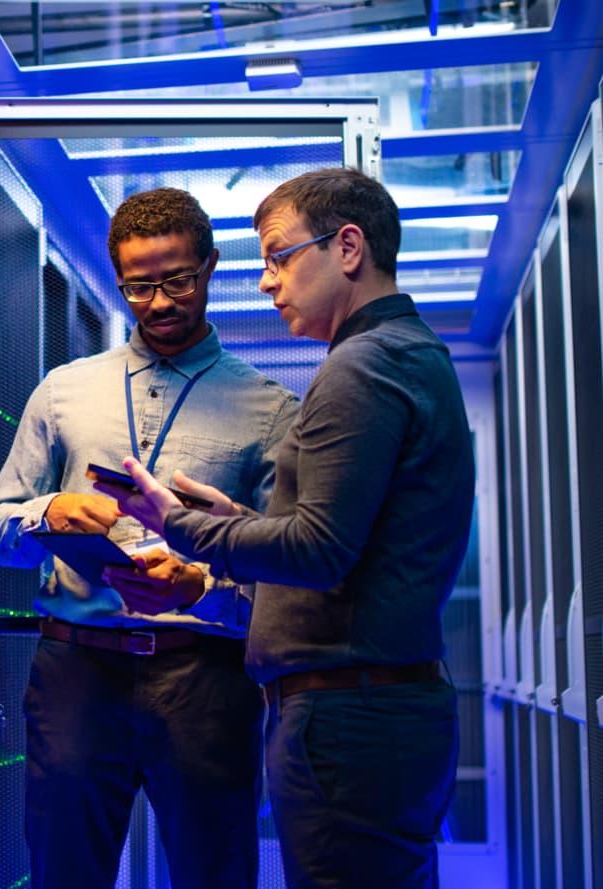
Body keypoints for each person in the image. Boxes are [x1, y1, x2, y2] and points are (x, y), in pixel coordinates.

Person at [98, 168, 476, 889]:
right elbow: (352, 537)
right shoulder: (408, 355)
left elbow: (318, 550)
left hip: (347, 719)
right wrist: (239, 521)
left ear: (348, 247)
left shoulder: (360, 368)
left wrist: (174, 523)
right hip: (377, 712)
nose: (268, 280)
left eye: (278, 255)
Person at [0, 186, 299, 889]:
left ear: (211, 267)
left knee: (215, 873)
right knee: (63, 872)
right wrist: (48, 513)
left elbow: (288, 574)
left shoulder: (272, 411)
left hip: (206, 677)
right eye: (138, 286)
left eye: (178, 280)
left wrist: (205, 588)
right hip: (76, 674)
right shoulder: (62, 390)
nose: (158, 303)